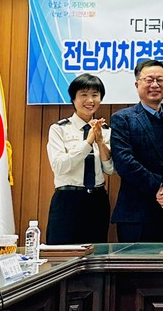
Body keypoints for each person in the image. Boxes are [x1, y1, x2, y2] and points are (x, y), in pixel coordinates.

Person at [110, 60, 163, 242]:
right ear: (137, 85)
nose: (155, 85)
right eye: (149, 80)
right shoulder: (122, 118)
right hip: (135, 214)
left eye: (160, 80)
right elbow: (124, 161)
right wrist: (158, 186)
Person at [46, 73, 115, 244]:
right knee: (61, 253)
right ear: (73, 98)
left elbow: (110, 170)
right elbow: (59, 166)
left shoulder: (106, 130)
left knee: (95, 253)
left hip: (97, 200)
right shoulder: (59, 129)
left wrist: (100, 142)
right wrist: (88, 142)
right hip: (67, 200)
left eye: (95, 95)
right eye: (84, 95)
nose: (90, 100)